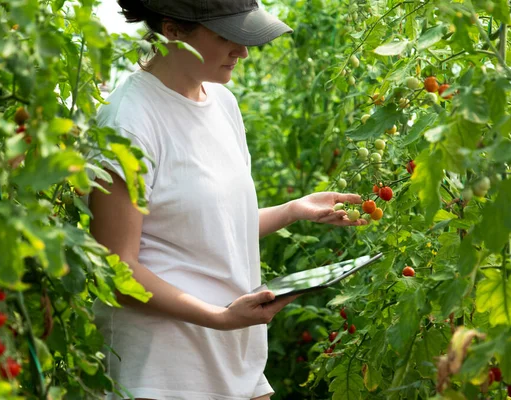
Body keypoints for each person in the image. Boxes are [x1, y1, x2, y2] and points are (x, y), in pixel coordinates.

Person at [88, 1, 367, 399]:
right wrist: (218, 318)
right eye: (227, 36)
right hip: (162, 372)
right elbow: (116, 269)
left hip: (236, 359)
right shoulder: (128, 122)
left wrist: (292, 210)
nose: (244, 50)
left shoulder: (221, 104)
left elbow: (207, 225)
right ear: (173, 30)